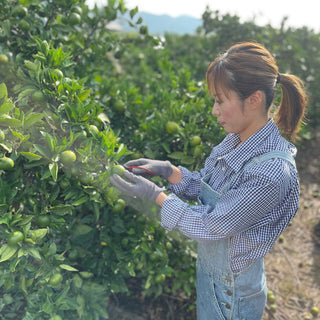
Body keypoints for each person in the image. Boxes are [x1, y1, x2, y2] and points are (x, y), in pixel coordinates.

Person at [110, 41, 307, 320]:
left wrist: (154, 194)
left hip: (232, 296)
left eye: (220, 100)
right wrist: (170, 172)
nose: (214, 110)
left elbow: (210, 225)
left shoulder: (270, 173)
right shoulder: (235, 141)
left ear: (254, 100)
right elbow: (209, 188)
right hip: (215, 278)